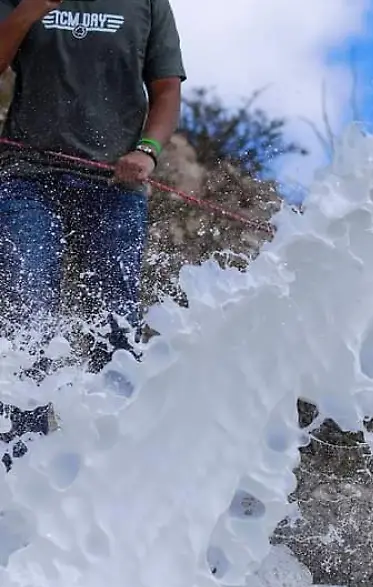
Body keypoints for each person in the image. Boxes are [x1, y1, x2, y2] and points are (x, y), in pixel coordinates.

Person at [0, 0, 186, 466]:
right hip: (27, 179)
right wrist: (28, 11)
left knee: (114, 324)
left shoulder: (147, 3)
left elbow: (165, 90)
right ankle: (19, 462)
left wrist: (148, 151)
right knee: (27, 317)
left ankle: (116, 462)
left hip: (115, 188)